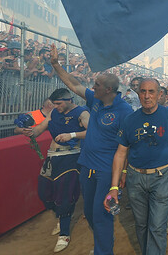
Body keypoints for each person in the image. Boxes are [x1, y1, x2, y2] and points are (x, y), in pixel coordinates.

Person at [49, 44, 133, 255]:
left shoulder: (124, 111)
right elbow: (74, 84)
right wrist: (56, 64)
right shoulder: (95, 99)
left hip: (106, 171)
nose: (92, 86)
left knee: (101, 213)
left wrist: (123, 172)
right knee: (89, 211)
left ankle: (104, 251)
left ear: (109, 90)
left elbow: (127, 146)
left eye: (97, 84)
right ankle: (104, 244)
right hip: (87, 166)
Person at [104, 79, 168, 255]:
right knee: (141, 225)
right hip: (136, 179)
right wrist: (114, 187)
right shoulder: (129, 120)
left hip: (162, 177)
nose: (147, 96)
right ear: (138, 93)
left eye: (151, 92)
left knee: (156, 227)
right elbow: (120, 153)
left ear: (159, 94)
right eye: (143, 91)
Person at [16, 88, 89, 253]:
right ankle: (62, 215)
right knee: (44, 192)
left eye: (58, 103)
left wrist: (71, 135)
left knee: (64, 195)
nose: (55, 106)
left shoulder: (82, 112)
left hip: (70, 157)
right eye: (54, 103)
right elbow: (37, 130)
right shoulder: (54, 113)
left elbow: (93, 132)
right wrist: (26, 130)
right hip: (51, 157)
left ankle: (64, 233)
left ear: (69, 99)